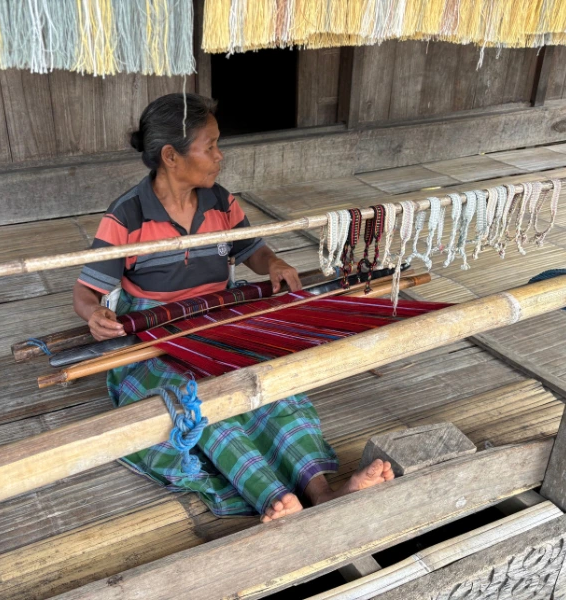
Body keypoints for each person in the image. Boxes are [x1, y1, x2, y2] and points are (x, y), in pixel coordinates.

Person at [73, 93, 393, 522]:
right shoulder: (127, 217)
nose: (220, 156)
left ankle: (323, 492)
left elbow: (254, 251)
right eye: (210, 146)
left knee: (271, 386)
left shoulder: (221, 202)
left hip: (220, 325)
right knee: (203, 404)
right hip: (157, 341)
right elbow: (85, 293)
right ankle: (272, 496)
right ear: (171, 156)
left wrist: (274, 263)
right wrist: (94, 314)